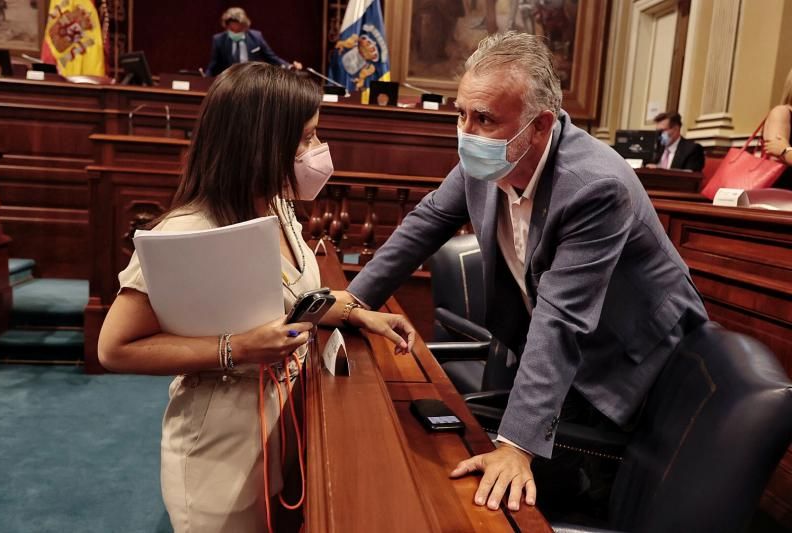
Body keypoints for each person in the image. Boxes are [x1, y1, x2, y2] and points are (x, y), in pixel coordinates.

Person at [346, 32, 708, 514]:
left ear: (539, 126)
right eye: (461, 114)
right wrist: (348, 304)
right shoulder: (485, 158)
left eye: (485, 119)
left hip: (628, 362)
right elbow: (425, 223)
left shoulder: (594, 186)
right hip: (562, 355)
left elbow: (560, 319)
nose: (467, 131)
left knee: (544, 492)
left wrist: (516, 446)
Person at [97, 63, 415, 533]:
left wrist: (356, 313)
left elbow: (296, 299)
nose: (317, 151)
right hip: (221, 450)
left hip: (281, 424)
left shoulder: (277, 205)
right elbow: (114, 348)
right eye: (305, 139)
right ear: (260, 144)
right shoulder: (187, 232)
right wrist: (236, 348)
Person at [205, 7, 303, 77]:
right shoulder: (219, 40)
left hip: (251, 78)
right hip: (228, 79)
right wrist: (205, 78)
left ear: (245, 26)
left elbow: (272, 58)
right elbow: (213, 65)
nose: (234, 31)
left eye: (238, 28)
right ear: (226, 26)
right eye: (231, 28)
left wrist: (289, 66)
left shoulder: (256, 37)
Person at [762, 67, 792, 190]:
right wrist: (785, 152)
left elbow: (782, 150)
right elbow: (775, 157)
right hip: (782, 195)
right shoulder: (782, 113)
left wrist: (786, 151)